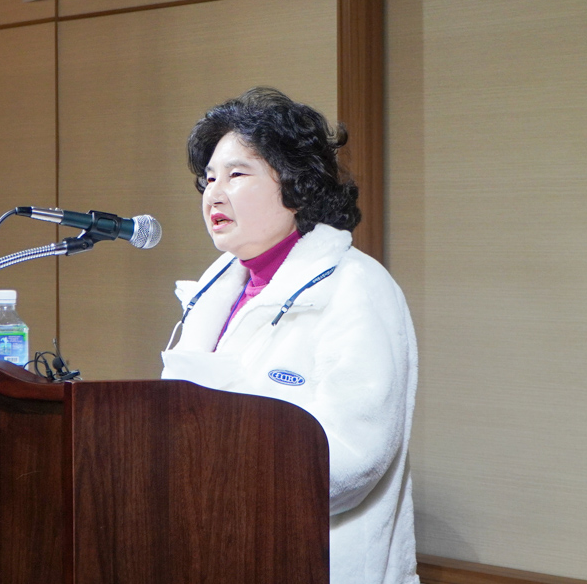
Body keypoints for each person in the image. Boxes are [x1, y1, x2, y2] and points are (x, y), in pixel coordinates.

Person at [162, 87, 419, 584]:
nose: (214, 193)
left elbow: (354, 458)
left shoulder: (356, 286)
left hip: (313, 559)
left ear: (297, 185)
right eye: (209, 178)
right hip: (211, 546)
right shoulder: (216, 288)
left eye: (237, 175)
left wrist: (216, 480)